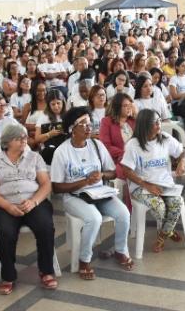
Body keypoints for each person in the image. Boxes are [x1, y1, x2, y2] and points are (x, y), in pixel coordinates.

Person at [51, 107, 133, 279]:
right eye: (83, 124)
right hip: (74, 196)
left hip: (99, 193)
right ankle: (84, 259)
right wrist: (83, 182)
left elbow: (112, 172)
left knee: (123, 213)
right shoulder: (62, 152)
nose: (89, 128)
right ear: (71, 129)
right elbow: (57, 187)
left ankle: (120, 250)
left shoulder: (97, 145)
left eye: (89, 123)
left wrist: (102, 175)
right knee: (94, 218)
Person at [0, 124, 57, 295]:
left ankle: (46, 271)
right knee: (6, 233)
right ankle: (8, 276)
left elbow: (46, 184)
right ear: (7, 142)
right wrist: (8, 206)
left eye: (25, 137)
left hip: (33, 202)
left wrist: (33, 202)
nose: (24, 140)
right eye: (19, 138)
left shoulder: (35, 157)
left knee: (45, 227)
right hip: (4, 205)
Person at [121, 109, 185, 253]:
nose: (159, 125)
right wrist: (146, 185)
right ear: (144, 125)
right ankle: (169, 231)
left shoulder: (164, 138)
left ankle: (162, 236)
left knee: (177, 203)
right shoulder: (133, 145)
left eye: (159, 121)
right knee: (160, 207)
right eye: (155, 123)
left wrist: (182, 162)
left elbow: (183, 151)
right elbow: (126, 170)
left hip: (164, 183)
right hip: (141, 186)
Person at [99, 93, 136, 210]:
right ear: (117, 107)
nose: (129, 108)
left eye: (130, 105)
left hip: (135, 158)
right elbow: (105, 145)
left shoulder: (133, 121)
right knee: (129, 172)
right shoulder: (107, 122)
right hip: (116, 160)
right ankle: (130, 210)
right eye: (125, 105)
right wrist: (124, 154)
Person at [169, 57, 185, 140]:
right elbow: (174, 95)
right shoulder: (174, 79)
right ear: (177, 67)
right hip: (178, 104)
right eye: (183, 66)